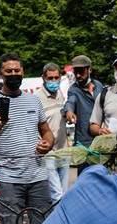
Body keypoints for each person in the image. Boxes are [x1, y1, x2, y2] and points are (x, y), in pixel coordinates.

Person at [0, 53, 54, 224]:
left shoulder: (34, 100)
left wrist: (48, 143)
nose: (13, 74)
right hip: (8, 178)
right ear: (1, 74)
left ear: (23, 72)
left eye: (16, 70)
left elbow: (46, 131)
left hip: (38, 175)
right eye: (8, 71)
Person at [35, 63, 69, 201]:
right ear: (43, 78)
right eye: (50, 78)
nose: (54, 81)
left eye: (56, 77)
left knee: (64, 193)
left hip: (63, 149)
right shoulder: (37, 98)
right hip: (48, 153)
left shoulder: (60, 94)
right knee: (56, 194)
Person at [64, 55, 105, 158]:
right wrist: (69, 111)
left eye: (81, 71)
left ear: (89, 69)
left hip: (102, 139)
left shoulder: (99, 86)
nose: (78, 75)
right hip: (84, 143)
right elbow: (70, 102)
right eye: (75, 72)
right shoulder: (73, 90)